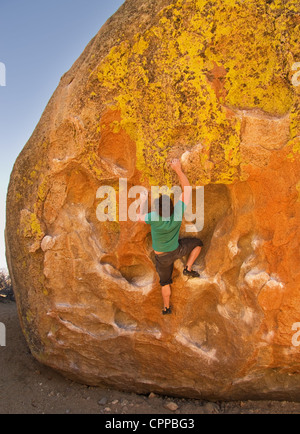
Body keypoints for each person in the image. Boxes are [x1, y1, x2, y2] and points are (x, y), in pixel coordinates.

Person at [138, 158, 203, 315]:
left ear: (157, 209)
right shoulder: (177, 213)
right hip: (177, 250)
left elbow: (139, 217)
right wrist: (178, 169)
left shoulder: (154, 217)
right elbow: (187, 189)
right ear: (171, 206)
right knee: (198, 243)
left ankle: (166, 308)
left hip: (162, 258)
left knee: (165, 282)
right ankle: (188, 268)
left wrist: (143, 200)